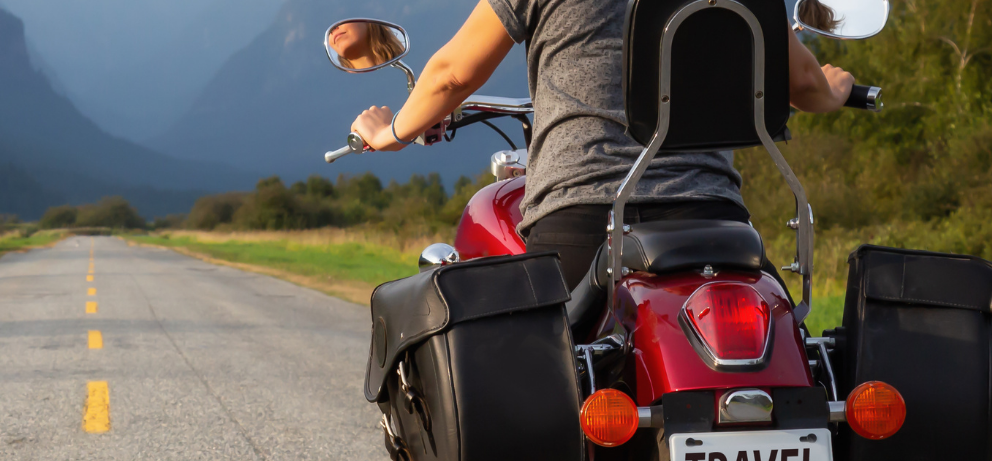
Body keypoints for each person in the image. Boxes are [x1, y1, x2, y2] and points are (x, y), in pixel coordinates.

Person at [349, 0, 858, 288]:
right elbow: (808, 85)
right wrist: (835, 91)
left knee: (538, 388)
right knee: (794, 359)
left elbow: (451, 75)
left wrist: (391, 134)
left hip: (585, 214)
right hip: (712, 218)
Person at [328, 21, 408, 71]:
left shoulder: (406, 70)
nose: (332, 29)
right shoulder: (343, 92)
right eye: (327, 30)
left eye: (341, 19)